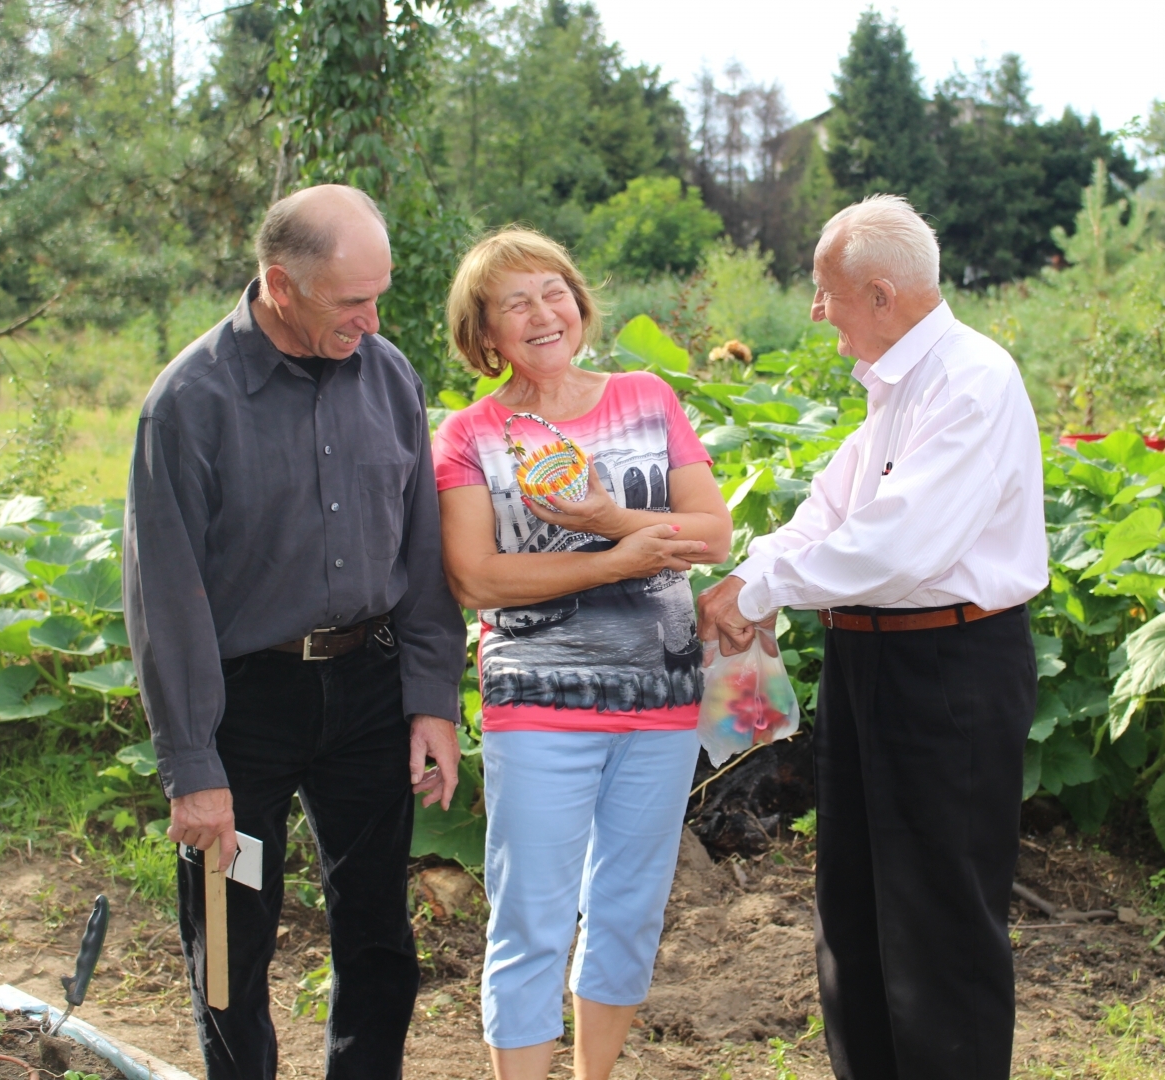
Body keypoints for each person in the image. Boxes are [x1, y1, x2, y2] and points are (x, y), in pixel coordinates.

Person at [697, 194, 1047, 1080]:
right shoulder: (893, 392)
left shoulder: (972, 380)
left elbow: (898, 546)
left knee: (939, 913)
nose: (817, 311)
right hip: (868, 661)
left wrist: (762, 588)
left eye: (826, 292)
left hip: (949, 667)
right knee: (851, 905)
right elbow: (829, 510)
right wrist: (755, 575)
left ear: (882, 295)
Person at [123, 184, 467, 1080]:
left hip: (369, 691)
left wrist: (432, 699)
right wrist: (194, 768)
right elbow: (166, 598)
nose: (372, 320)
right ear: (280, 284)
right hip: (244, 707)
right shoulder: (189, 403)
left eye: (379, 296)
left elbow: (421, 550)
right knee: (230, 936)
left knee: (378, 930)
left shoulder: (388, 376)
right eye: (350, 301)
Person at [432, 228, 733, 1080]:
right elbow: (476, 577)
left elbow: (713, 533)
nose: (542, 313)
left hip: (662, 701)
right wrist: (615, 561)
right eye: (515, 302)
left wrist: (608, 521)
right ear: (485, 332)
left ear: (578, 302)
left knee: (629, 910)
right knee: (531, 916)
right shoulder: (468, 434)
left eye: (553, 291)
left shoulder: (646, 398)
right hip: (538, 706)